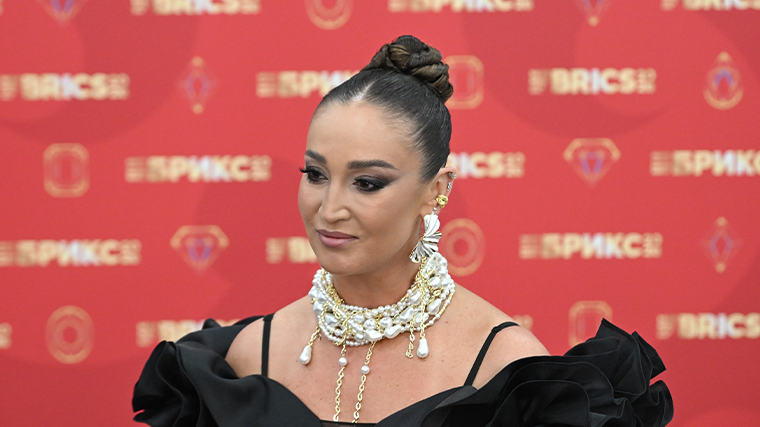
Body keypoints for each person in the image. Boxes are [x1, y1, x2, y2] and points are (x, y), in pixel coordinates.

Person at [133, 35, 673, 427]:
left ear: (436, 190)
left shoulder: (504, 366)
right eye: (315, 175)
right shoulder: (250, 354)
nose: (330, 209)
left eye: (367, 183)